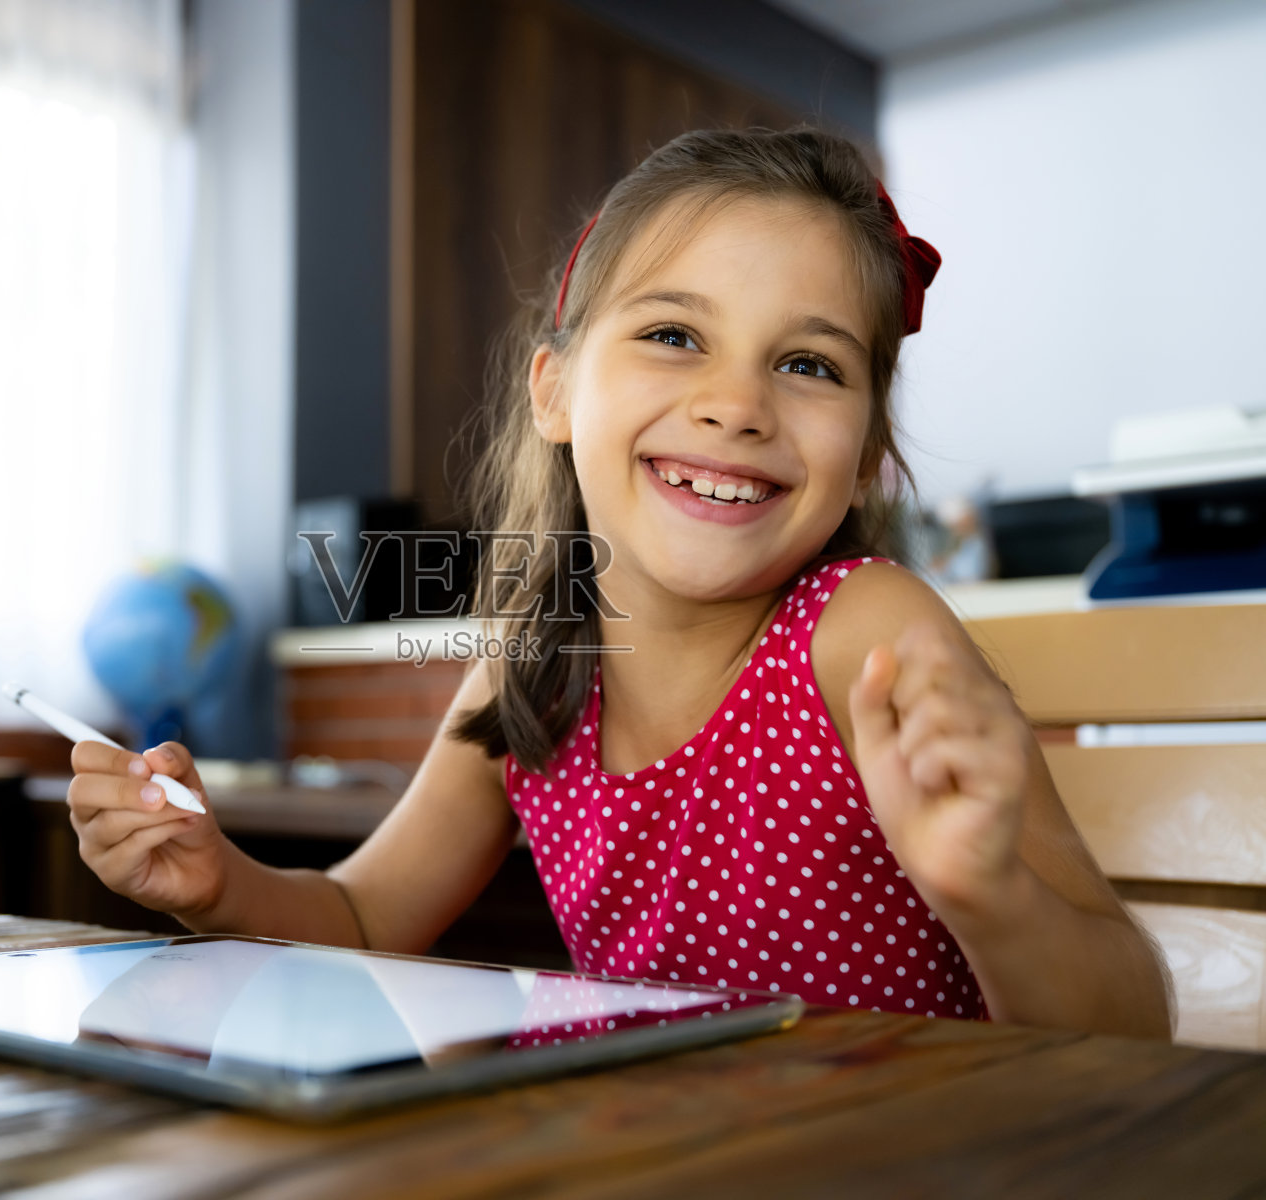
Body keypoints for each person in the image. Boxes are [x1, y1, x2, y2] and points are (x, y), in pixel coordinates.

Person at [67, 128, 1171, 1038]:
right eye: (675, 335)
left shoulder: (867, 635)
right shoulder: (535, 663)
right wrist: (218, 882)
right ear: (554, 392)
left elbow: (1128, 1024)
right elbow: (362, 915)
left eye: (808, 364)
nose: (736, 405)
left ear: (867, 447)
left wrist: (991, 895)